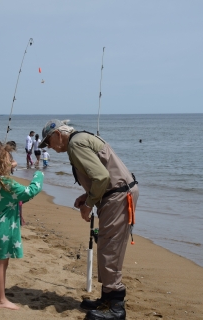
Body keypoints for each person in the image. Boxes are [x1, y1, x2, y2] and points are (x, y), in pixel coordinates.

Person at [39, 119, 138, 320]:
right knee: (106, 246)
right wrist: (88, 196)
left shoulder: (75, 144)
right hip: (116, 194)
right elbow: (103, 176)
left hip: (118, 197)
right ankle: (108, 298)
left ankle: (116, 307)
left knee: (110, 248)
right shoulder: (80, 140)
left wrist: (88, 204)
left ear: (58, 134)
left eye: (48, 142)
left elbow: (101, 177)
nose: (49, 147)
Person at [0, 146, 44, 310]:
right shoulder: (7, 183)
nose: (12, 161)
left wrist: (11, 165)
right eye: (8, 159)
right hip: (3, 228)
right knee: (1, 264)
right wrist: (38, 175)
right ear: (1, 164)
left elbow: (11, 199)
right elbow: (30, 191)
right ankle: (1, 299)